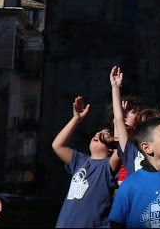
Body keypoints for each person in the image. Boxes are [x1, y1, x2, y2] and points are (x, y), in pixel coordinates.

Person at [52, 95, 122, 228]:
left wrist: (118, 120)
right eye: (97, 133)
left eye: (105, 135)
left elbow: (121, 149)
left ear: (111, 147)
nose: (98, 134)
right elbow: (57, 146)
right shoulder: (80, 161)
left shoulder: (107, 166)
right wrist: (76, 119)